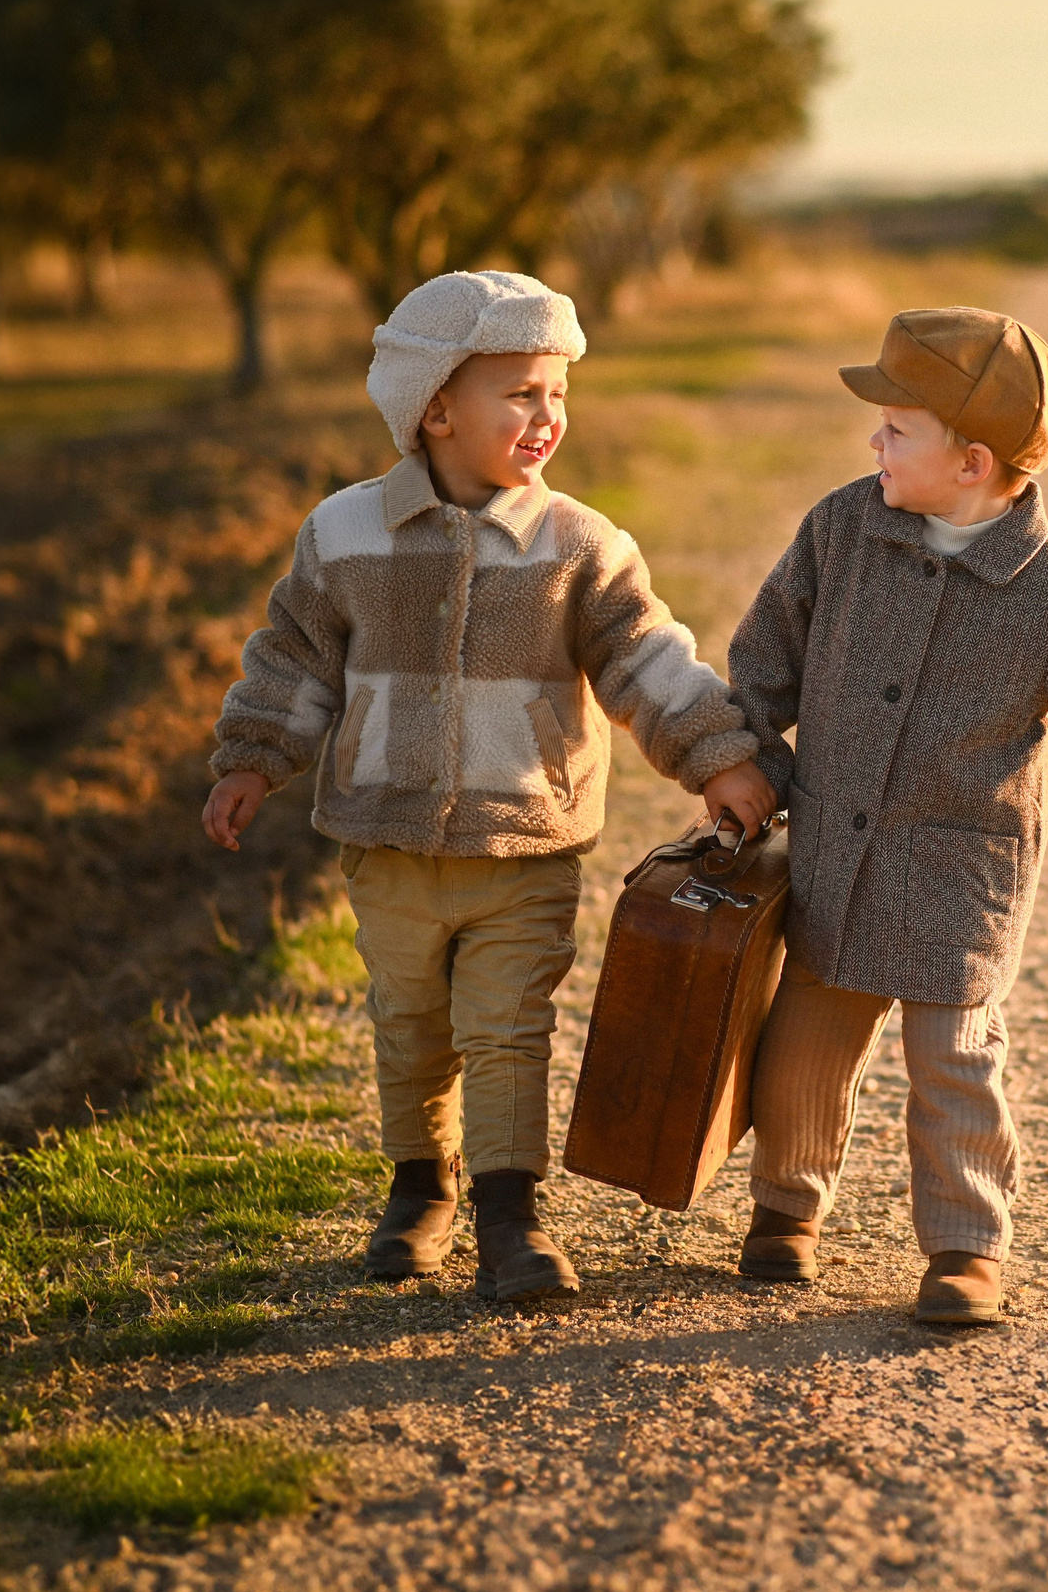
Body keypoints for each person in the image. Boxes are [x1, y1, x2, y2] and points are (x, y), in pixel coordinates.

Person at [200, 271, 774, 1302]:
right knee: (409, 1021)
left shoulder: (579, 547)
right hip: (386, 839)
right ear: (435, 407)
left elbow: (650, 662)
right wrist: (252, 758)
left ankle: (513, 1216)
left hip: (525, 838)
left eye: (558, 392)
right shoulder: (345, 535)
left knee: (507, 1027)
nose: (548, 416)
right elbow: (291, 659)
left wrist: (717, 754)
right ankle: (419, 1191)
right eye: (520, 393)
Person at [724, 306, 1048, 1325]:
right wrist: (736, 755)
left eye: (895, 428)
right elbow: (763, 661)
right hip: (835, 848)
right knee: (804, 1044)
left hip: (958, 872)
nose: (872, 441)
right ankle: (786, 1210)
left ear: (971, 462)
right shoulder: (841, 530)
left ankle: (965, 1247)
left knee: (955, 1059)